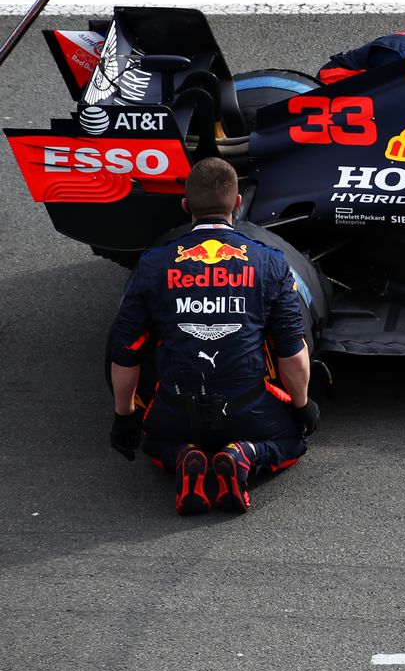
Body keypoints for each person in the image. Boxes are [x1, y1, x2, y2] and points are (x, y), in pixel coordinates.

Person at [107, 158, 317, 515]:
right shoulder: (271, 262)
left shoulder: (153, 263)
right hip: (250, 409)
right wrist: (302, 405)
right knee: (292, 441)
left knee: (152, 442)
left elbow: (125, 350)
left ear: (185, 206)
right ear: (237, 204)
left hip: (176, 410)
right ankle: (245, 454)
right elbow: (291, 350)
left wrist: (124, 415)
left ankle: (183, 455)